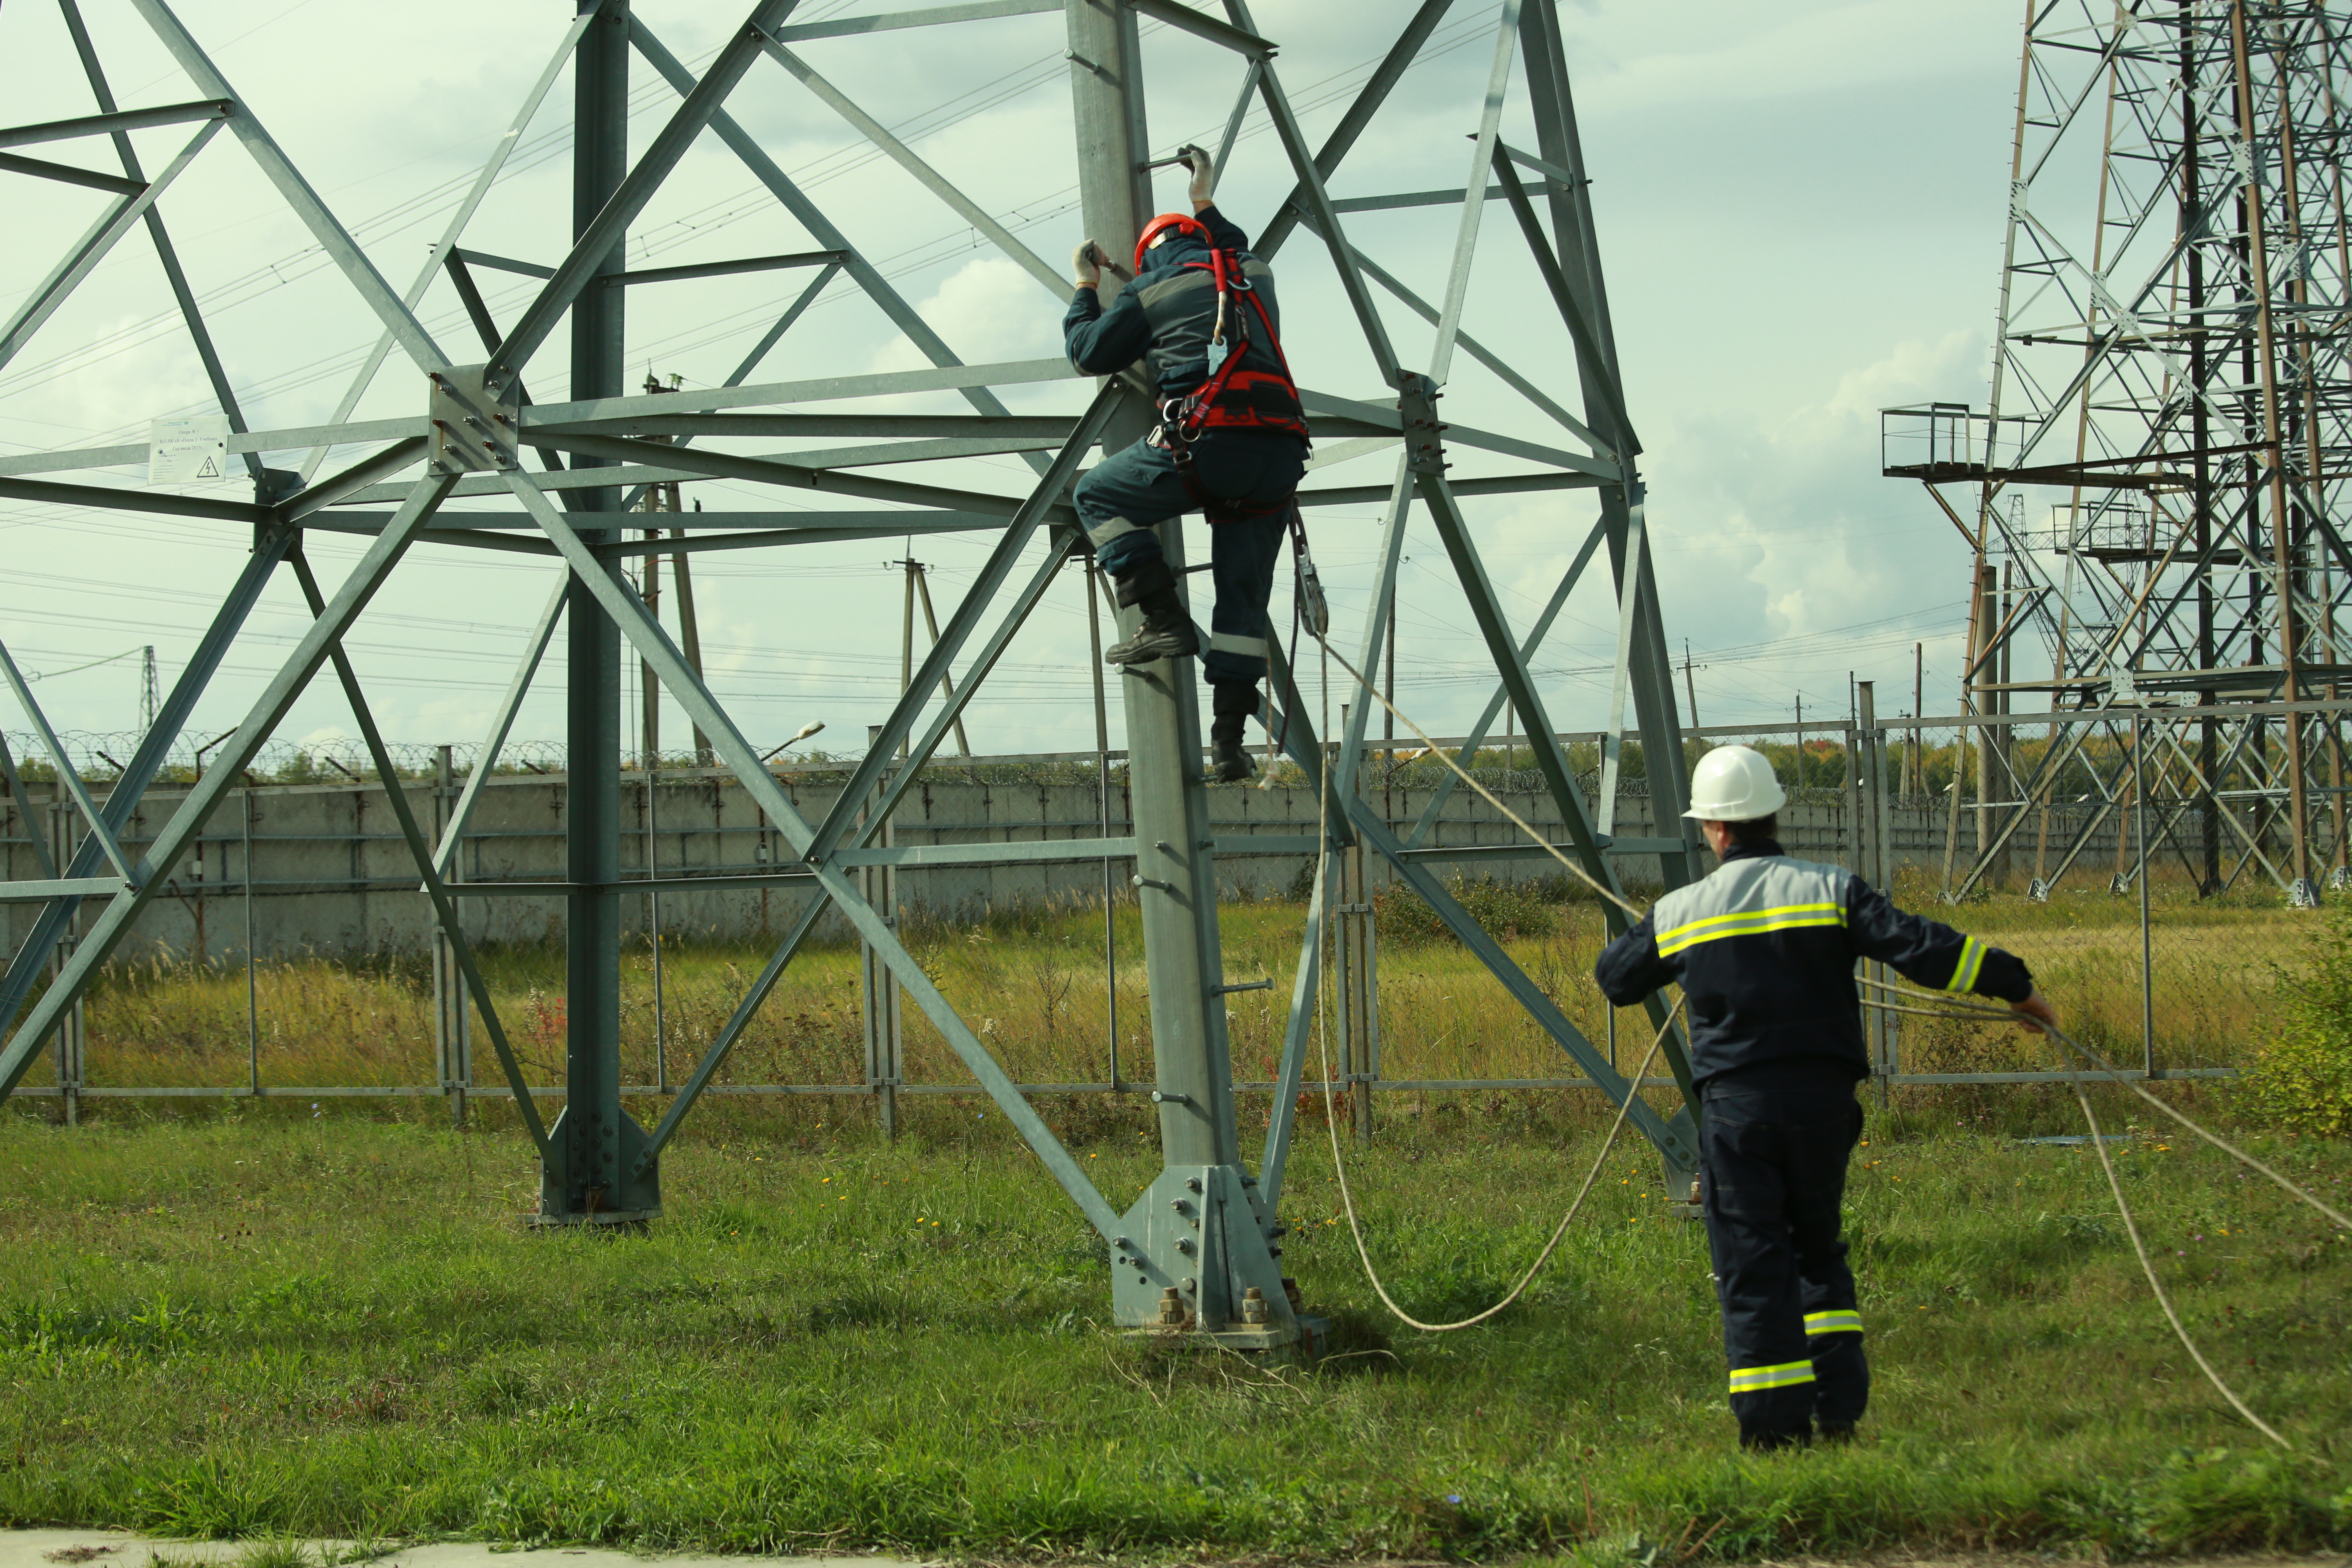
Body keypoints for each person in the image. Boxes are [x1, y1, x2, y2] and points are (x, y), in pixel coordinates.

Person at [1594, 744, 2058, 1451]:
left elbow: (1616, 980)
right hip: (1822, 1110)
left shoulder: (1683, 912)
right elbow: (1924, 947)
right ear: (1774, 813)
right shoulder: (1832, 890)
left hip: (1739, 1115)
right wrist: (2015, 986)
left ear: (1713, 829)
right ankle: (1839, 1413)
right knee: (1817, 1252)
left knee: (1753, 1265)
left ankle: (1775, 1437)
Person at [1065, 146, 1312, 783]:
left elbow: (1089, 352)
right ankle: (1229, 744)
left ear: (1145, 260)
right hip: (1279, 456)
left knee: (1095, 496)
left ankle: (1161, 618)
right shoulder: (1257, 273)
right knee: (1243, 601)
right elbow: (1232, 244)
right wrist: (1205, 197)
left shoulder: (1151, 288)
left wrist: (1086, 287)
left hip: (1205, 446)